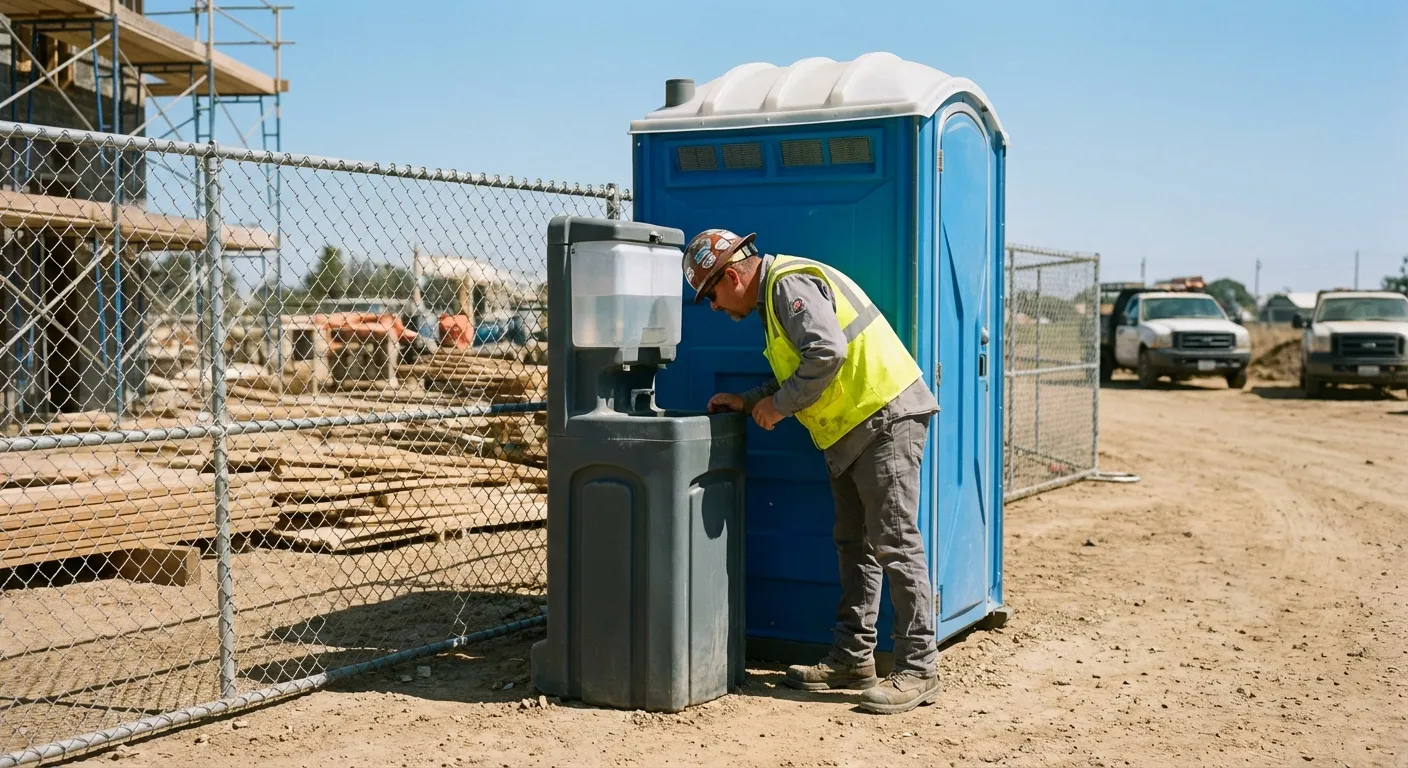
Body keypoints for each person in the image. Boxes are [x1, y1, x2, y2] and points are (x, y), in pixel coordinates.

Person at [681, 228, 941, 715]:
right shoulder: (774, 297)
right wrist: (752, 400)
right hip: (854, 428)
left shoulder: (785, 287)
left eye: (711, 294)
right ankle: (852, 658)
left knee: (894, 542)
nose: (713, 307)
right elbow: (802, 364)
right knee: (855, 544)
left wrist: (778, 407)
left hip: (884, 416)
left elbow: (827, 353)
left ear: (733, 275)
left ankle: (920, 667)